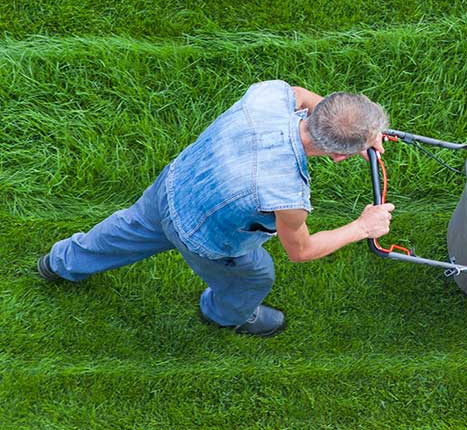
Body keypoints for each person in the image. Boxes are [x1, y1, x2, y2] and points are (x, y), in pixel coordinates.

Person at [37, 80, 394, 337]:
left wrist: (353, 130)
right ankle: (223, 315)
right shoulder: (286, 192)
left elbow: (300, 95)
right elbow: (302, 250)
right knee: (256, 275)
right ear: (338, 156)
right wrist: (364, 226)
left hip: (176, 185)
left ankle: (60, 262)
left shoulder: (266, 96)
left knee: (126, 229)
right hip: (205, 237)